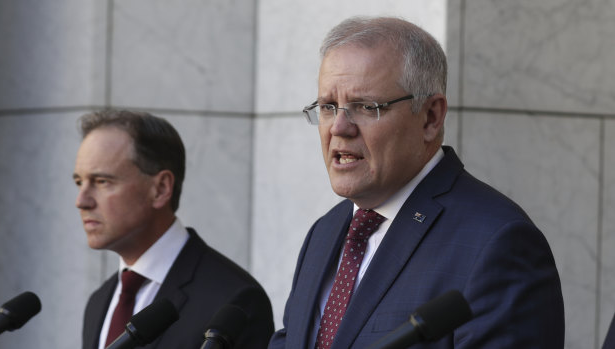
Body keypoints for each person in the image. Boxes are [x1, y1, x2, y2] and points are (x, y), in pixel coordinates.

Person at [269, 16, 564, 348]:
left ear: (430, 117)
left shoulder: (497, 243)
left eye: (366, 106)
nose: (339, 127)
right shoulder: (325, 232)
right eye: (327, 107)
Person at [73, 110, 274, 349]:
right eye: (79, 182)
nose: (82, 201)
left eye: (102, 182)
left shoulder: (234, 300)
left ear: (160, 188)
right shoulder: (99, 302)